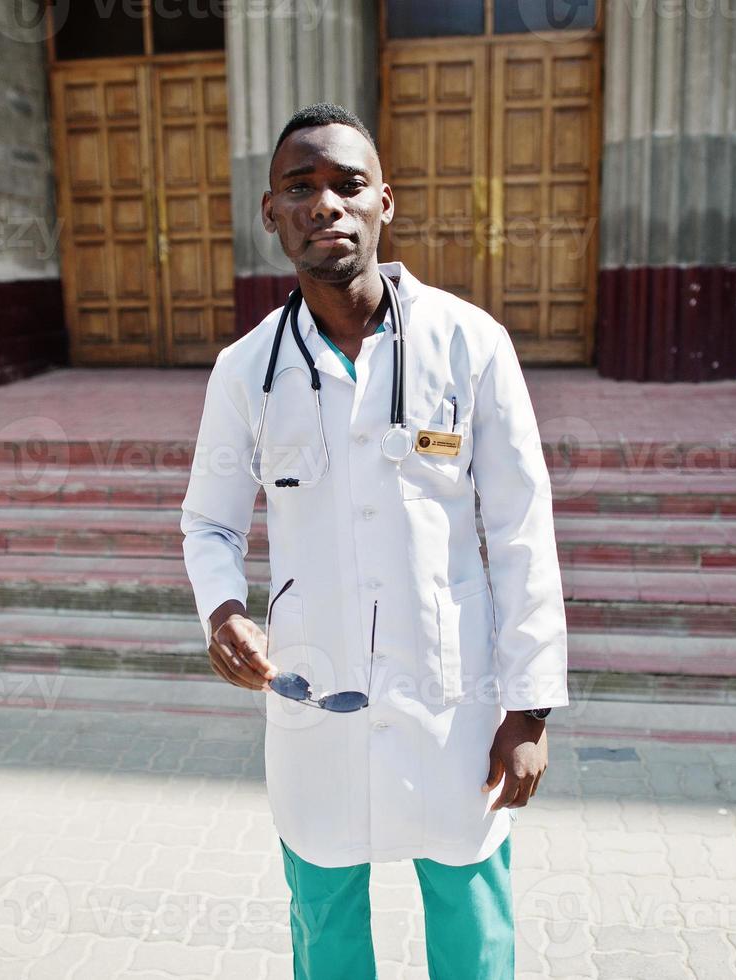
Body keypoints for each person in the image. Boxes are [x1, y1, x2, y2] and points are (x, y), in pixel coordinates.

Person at [179, 102, 569, 980]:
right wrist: (223, 611)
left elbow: (519, 530)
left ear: (383, 202)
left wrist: (529, 708)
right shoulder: (245, 369)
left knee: (471, 916)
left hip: (454, 694)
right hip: (314, 689)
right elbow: (208, 520)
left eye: (347, 185)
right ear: (271, 214)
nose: (326, 205)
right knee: (324, 917)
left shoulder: (469, 342)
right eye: (300, 188)